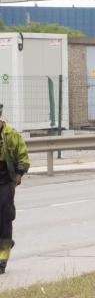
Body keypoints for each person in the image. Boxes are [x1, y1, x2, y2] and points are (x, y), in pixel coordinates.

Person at [0, 103, 31, 274]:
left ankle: (2, 260)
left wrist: (17, 178)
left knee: (5, 217)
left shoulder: (11, 134)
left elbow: (23, 158)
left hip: (5, 183)